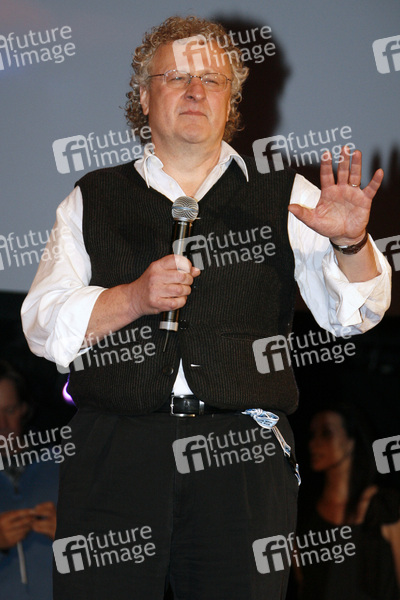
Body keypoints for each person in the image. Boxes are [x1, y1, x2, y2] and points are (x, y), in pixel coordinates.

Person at [21, 14, 391, 600]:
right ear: (144, 98)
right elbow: (42, 325)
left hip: (241, 456)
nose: (196, 91)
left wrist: (351, 244)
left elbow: (354, 315)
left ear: (230, 102)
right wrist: (132, 298)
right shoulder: (92, 197)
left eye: (212, 80)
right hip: (115, 451)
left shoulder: (287, 196)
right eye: (176, 77)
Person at [294, 404, 400, 599]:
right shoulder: (303, 514)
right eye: (312, 435)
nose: (314, 443)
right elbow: (304, 586)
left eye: (326, 433)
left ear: (351, 441)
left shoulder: (383, 506)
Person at [0, 360, 59, 600]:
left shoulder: (64, 464)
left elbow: (113, 555)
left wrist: (70, 535)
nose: (2, 425)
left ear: (24, 409)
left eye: (9, 410)